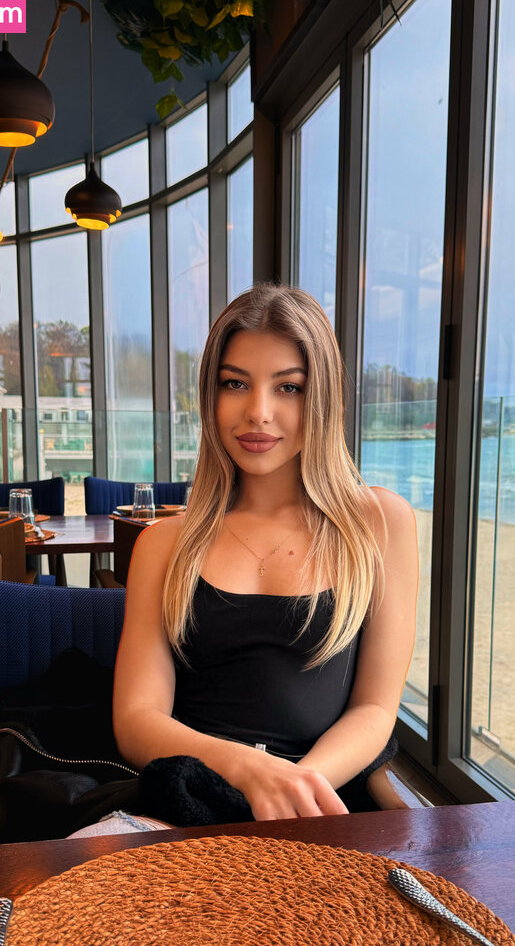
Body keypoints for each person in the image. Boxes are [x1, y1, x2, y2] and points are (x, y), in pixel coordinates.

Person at [112, 283, 419, 822]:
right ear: (211, 396)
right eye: (235, 384)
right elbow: (137, 720)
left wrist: (296, 788)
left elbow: (375, 708)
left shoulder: (378, 524)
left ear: (322, 398)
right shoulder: (163, 543)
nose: (258, 412)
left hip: (317, 804)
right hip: (180, 803)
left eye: (288, 388)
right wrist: (251, 773)